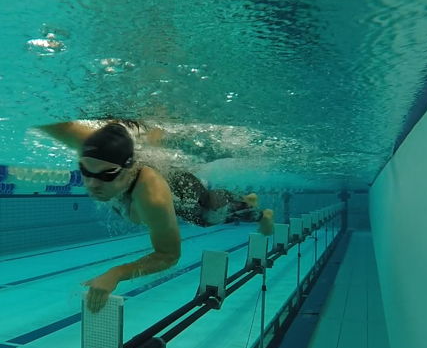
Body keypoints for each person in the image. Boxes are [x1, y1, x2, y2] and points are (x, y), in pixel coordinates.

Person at [39, 120, 274, 312]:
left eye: (107, 175)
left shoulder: (152, 197)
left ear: (128, 169)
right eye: (84, 171)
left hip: (190, 198)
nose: (92, 184)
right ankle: (246, 202)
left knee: (211, 214)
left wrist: (117, 274)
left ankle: (256, 212)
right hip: (155, 181)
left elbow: (169, 255)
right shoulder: (94, 146)